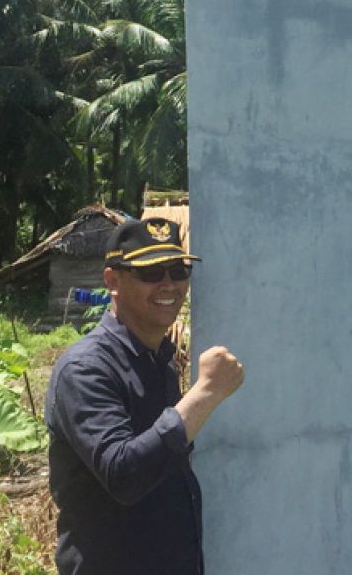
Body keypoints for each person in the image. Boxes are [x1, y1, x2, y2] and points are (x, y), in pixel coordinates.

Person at [45, 218, 244, 575]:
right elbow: (124, 474)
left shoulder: (159, 362)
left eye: (178, 269)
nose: (169, 284)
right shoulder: (85, 369)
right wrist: (206, 392)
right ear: (112, 281)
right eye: (150, 272)